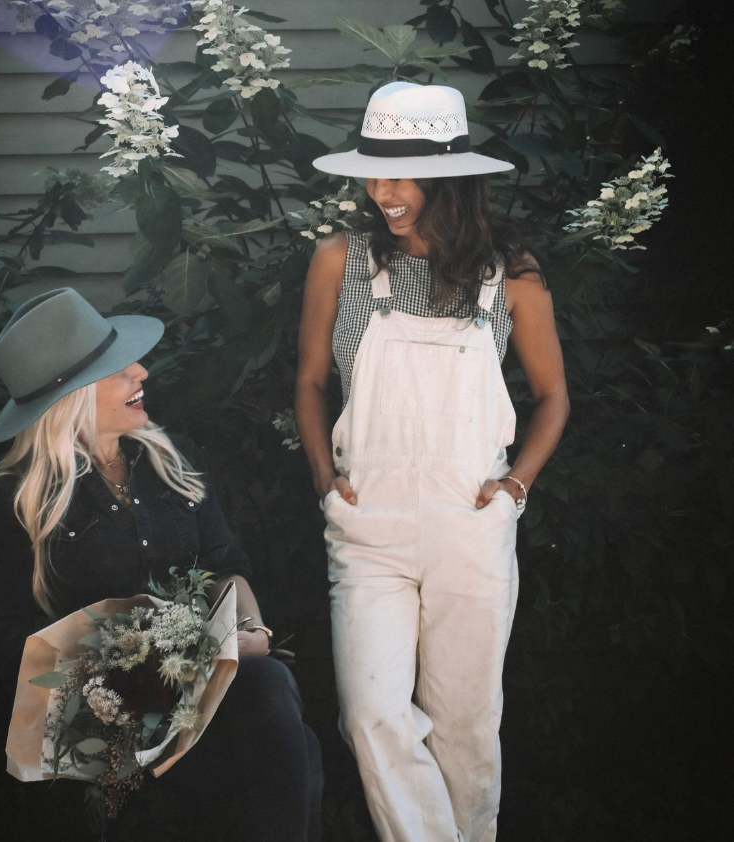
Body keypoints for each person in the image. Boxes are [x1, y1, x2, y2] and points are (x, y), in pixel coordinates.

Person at [295, 82, 570, 842]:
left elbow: (553, 397)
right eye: (373, 175)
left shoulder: (510, 273)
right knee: (371, 714)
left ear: (450, 179)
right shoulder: (339, 261)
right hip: (368, 524)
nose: (382, 193)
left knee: (466, 726)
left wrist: (514, 489)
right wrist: (325, 482)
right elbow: (310, 382)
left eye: (401, 176)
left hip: (470, 521)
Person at [0, 287, 322, 842]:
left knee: (267, 689)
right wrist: (138, 665)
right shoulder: (20, 499)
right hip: (101, 717)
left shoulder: (171, 458)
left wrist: (251, 631)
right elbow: (10, 643)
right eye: (119, 369)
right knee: (282, 748)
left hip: (205, 693)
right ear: (72, 395)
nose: (141, 371)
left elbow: (224, 565)